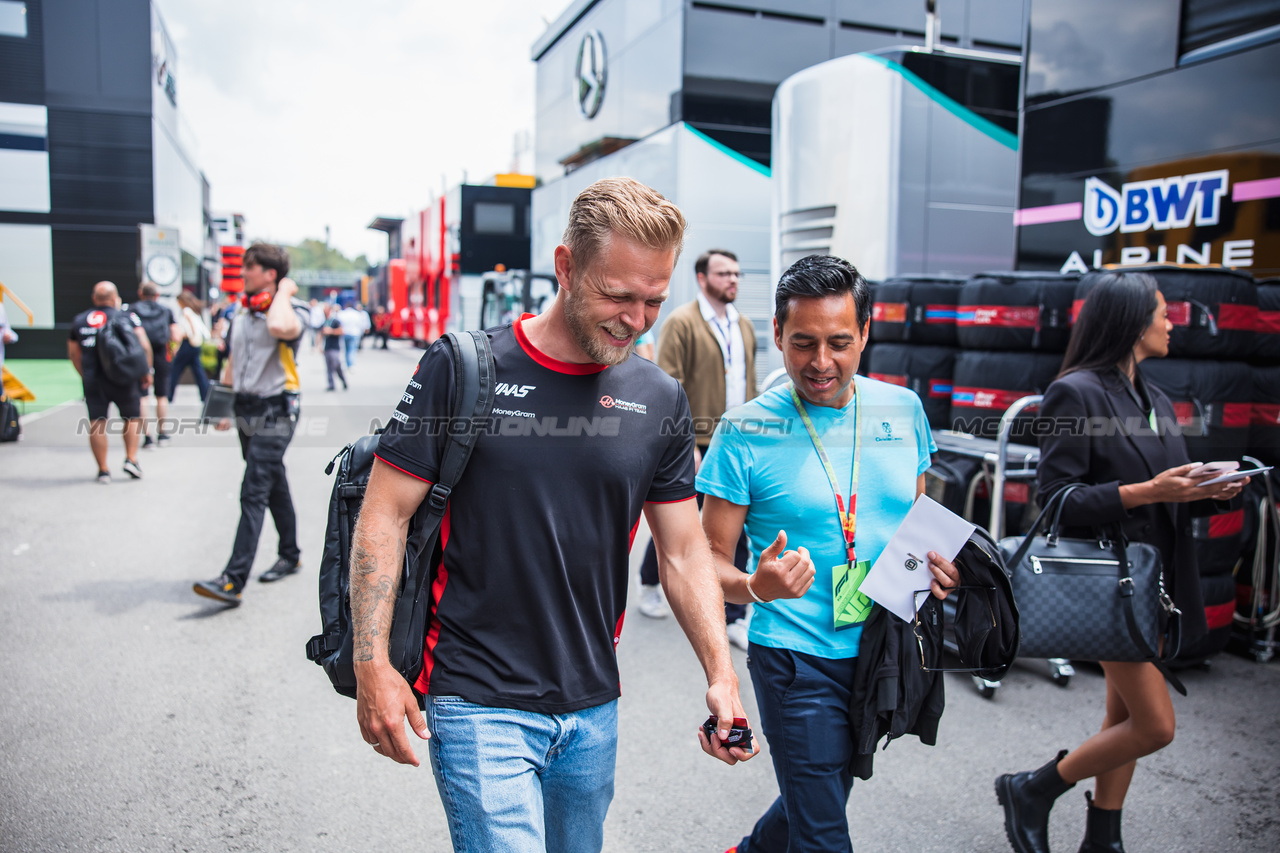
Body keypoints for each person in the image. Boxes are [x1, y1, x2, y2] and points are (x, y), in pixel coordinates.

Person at [351, 177, 756, 853]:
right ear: (567, 267)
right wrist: (371, 665)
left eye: (654, 299)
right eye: (618, 295)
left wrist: (720, 673)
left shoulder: (659, 398)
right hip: (477, 698)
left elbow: (683, 552)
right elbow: (384, 516)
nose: (636, 319)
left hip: (593, 706)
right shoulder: (463, 366)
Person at [698, 255, 961, 853]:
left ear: (866, 332)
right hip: (795, 660)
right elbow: (705, 561)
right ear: (777, 335)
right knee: (822, 832)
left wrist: (937, 569)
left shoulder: (904, 410)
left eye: (840, 342)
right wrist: (757, 586)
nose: (821, 363)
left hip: (882, 647)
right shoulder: (745, 431)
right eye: (803, 343)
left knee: (813, 800)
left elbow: (915, 525)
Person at [995, 270, 1246, 853]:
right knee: (1155, 726)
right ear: (1133, 320)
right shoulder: (1074, 392)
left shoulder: (1153, 397)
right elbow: (1056, 499)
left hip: (1156, 579)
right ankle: (1033, 788)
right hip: (1113, 585)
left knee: (1122, 721)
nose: (1171, 321)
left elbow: (1161, 482)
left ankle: (1102, 838)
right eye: (1162, 311)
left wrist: (1206, 488)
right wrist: (1150, 492)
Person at [637, 250, 757, 649]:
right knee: (678, 517)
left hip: (738, 440)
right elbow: (667, 383)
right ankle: (651, 580)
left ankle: (735, 616)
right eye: (724, 273)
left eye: (737, 273)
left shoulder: (743, 326)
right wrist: (681, 443)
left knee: (735, 528)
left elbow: (749, 383)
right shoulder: (683, 322)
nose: (733, 280)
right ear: (702, 278)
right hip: (697, 438)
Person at [192, 243, 310, 606]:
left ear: (270, 275)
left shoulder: (292, 312)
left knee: (254, 488)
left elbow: (278, 325)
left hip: (278, 408)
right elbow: (232, 362)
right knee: (272, 481)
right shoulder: (241, 313)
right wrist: (222, 409)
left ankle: (233, 580)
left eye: (250, 268)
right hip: (245, 406)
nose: (242, 273)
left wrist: (286, 291)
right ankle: (290, 554)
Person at [67, 281, 154, 483]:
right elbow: (144, 345)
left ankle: (103, 470)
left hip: (93, 380)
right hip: (124, 377)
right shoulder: (126, 316)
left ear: (94, 298)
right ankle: (131, 459)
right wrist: (146, 370)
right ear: (115, 298)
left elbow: (73, 353)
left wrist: (84, 373)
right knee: (131, 418)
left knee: (97, 422)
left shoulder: (80, 320)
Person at [126, 281, 179, 448]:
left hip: (139, 354)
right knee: (161, 395)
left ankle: (147, 437)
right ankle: (162, 433)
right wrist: (172, 351)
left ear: (140, 294)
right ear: (157, 295)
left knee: (143, 396)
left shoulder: (132, 310)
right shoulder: (166, 310)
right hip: (162, 352)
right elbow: (176, 335)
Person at [168, 291, 211, 402]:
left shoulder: (186, 311)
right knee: (198, 372)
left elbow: (189, 328)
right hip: (195, 345)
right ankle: (206, 395)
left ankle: (169, 395)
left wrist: (186, 336)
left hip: (188, 343)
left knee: (175, 370)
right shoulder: (193, 311)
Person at [321, 304, 347, 391]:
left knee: (336, 366)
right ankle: (331, 384)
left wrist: (331, 331)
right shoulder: (325, 322)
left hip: (335, 347)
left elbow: (342, 331)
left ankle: (343, 380)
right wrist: (319, 346)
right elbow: (321, 334)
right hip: (327, 347)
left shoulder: (335, 321)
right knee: (329, 367)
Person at [337, 301, 365, 367]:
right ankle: (351, 364)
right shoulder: (357, 314)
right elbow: (361, 324)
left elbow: (339, 323)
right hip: (355, 333)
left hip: (345, 333)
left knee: (346, 349)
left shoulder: (342, 314)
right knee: (352, 349)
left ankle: (348, 363)